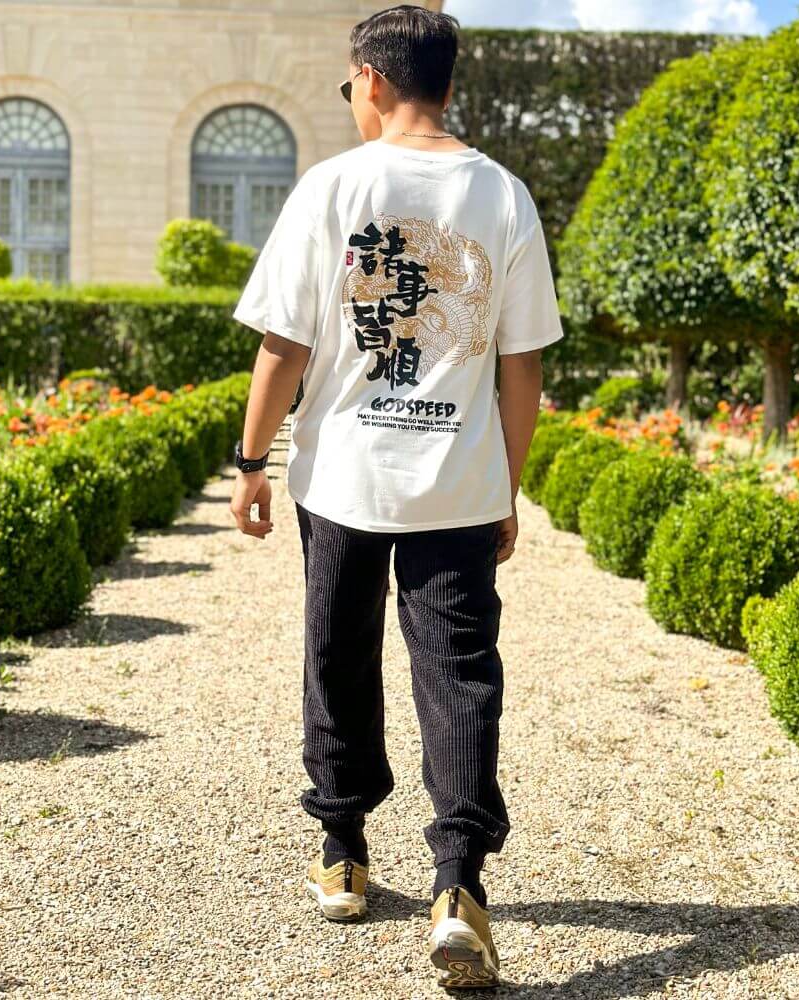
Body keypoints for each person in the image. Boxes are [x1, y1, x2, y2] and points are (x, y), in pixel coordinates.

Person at [229, 4, 563, 989]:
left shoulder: (332, 186)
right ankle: (459, 885)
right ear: (447, 84)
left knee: (335, 652)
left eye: (349, 86)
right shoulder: (503, 195)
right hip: (456, 487)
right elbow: (522, 365)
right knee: (459, 677)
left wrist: (249, 462)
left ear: (370, 80)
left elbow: (284, 343)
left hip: (341, 478)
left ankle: (343, 850)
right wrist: (505, 484)